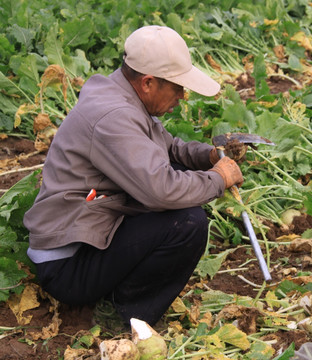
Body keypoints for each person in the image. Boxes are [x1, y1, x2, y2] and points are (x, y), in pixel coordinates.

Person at [23, 25, 244, 327]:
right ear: (149, 83)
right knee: (187, 223)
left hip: (89, 233)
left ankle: (120, 297)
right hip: (67, 264)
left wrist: (207, 157)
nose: (183, 95)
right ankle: (123, 316)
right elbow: (162, 190)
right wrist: (218, 179)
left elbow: (170, 150)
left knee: (181, 184)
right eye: (177, 87)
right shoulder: (114, 117)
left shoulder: (122, 94)